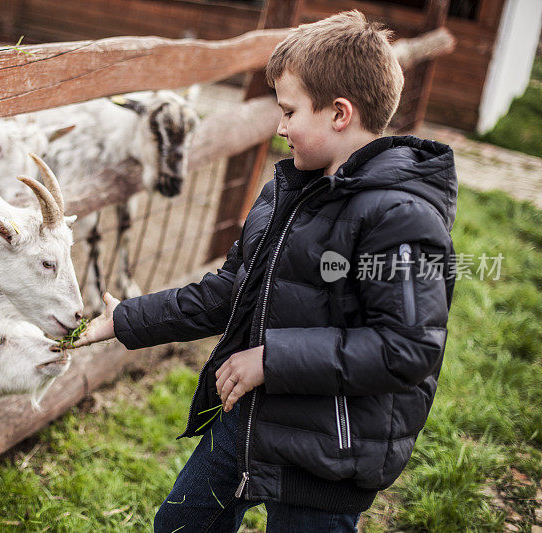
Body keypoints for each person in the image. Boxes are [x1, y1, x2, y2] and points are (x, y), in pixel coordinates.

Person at [73, 10, 458, 532]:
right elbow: (232, 290)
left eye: (289, 111)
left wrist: (270, 361)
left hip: (330, 455)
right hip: (248, 424)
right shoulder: (289, 190)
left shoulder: (401, 217)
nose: (279, 127)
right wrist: (128, 320)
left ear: (339, 114)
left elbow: (406, 348)